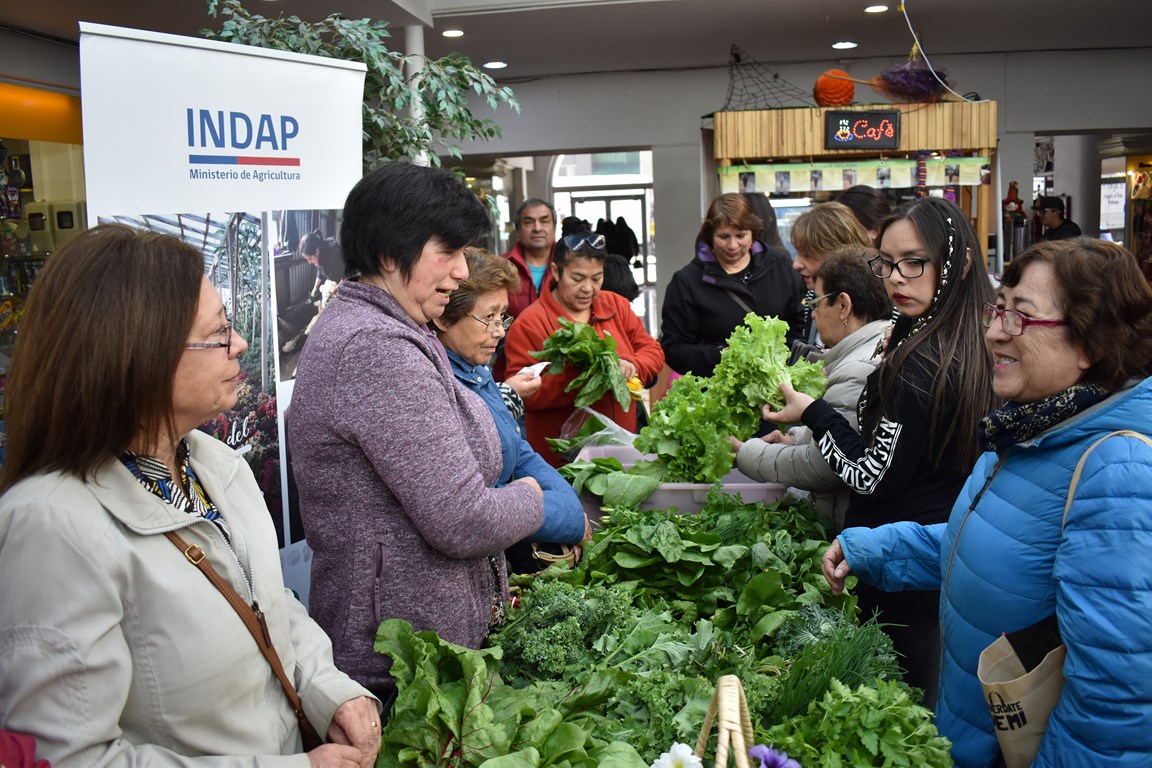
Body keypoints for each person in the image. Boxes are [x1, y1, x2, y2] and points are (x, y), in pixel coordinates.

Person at [0, 224, 380, 768]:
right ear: (138, 355)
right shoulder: (52, 527)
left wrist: (331, 691)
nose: (241, 344)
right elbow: (72, 758)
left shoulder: (214, 464)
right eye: (219, 332)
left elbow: (269, 606)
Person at [822, 237, 1152, 767]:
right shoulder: (1030, 428)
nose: (995, 331)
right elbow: (990, 546)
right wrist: (875, 549)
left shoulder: (1119, 472)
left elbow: (1117, 705)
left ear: (1092, 342)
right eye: (998, 309)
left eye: (1021, 317)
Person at [286, 162, 546, 708]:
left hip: (418, 651)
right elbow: (463, 520)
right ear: (389, 254)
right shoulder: (377, 349)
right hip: (396, 665)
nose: (458, 273)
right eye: (446, 253)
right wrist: (532, 499)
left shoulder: (396, 326)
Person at [764, 196, 998, 707]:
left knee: (910, 712)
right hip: (941, 559)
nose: (896, 277)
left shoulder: (921, 362)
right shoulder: (971, 339)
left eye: (914, 262)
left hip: (905, 571)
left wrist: (815, 414)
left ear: (953, 263)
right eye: (888, 262)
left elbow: (869, 475)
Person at [434, 247, 592, 573]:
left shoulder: (478, 370)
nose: (499, 330)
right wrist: (567, 520)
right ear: (444, 316)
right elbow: (480, 505)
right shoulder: (440, 388)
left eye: (502, 316)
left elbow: (520, 453)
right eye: (487, 317)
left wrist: (571, 515)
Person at [732, 245, 892, 531]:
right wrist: (795, 439)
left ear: (843, 305)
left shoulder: (857, 369)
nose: (813, 313)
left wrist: (747, 452)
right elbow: (842, 433)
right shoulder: (868, 348)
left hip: (848, 526)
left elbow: (825, 467)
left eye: (815, 301)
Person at [504, 228, 665, 467]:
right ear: (556, 272)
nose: (588, 288)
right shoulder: (530, 323)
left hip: (621, 453)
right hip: (561, 460)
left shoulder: (616, 306)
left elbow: (653, 352)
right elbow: (523, 392)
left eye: (596, 278)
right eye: (577, 279)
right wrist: (582, 376)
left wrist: (632, 365)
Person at [660, 193, 805, 377]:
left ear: (753, 232)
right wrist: (722, 356)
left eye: (741, 235)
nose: (733, 245)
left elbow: (798, 323)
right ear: (709, 236)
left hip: (776, 383)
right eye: (724, 236)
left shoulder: (779, 266)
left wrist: (779, 356)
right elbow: (674, 348)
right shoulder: (686, 282)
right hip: (716, 390)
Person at [789, 202, 874, 346]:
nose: (796, 264)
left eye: (807, 255)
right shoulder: (812, 294)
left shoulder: (875, 302)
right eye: (797, 254)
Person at [504, 198, 557, 319]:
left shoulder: (568, 265)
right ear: (518, 229)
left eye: (544, 221)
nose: (537, 228)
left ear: (554, 227)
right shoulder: (501, 267)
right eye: (528, 222)